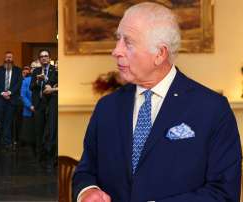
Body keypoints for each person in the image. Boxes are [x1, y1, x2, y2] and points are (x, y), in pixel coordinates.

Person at [73, 2, 242, 202]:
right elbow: (85, 171)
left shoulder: (213, 110)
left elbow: (223, 193)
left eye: (128, 42)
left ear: (160, 54)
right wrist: (87, 191)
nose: (116, 51)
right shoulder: (107, 107)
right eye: (118, 39)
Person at [0, 51, 22, 152]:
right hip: (0, 100)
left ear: (12, 59)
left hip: (12, 100)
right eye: (7, 57)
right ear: (4, 58)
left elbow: (18, 83)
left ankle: (7, 144)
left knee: (8, 122)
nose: (8, 59)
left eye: (10, 57)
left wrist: (10, 92)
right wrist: (2, 93)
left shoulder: (17, 70)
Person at [30, 50, 58, 164]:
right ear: (39, 59)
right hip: (39, 104)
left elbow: (54, 84)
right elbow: (31, 87)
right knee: (38, 130)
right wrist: (37, 80)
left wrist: (45, 79)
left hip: (51, 103)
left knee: (51, 130)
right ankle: (39, 156)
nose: (44, 58)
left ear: (49, 58)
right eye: (41, 57)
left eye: (46, 56)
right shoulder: (36, 71)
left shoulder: (54, 70)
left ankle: (50, 156)